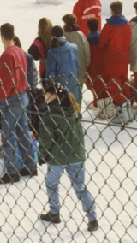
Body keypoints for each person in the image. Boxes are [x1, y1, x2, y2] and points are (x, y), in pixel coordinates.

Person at [36, 78, 99, 232]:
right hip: (77, 156)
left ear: (54, 96)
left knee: (51, 184)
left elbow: (46, 139)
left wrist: (43, 155)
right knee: (80, 187)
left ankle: (54, 212)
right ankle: (92, 218)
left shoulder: (50, 115)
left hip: (58, 158)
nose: (44, 96)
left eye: (47, 94)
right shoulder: (74, 112)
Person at [0, 23, 37, 184]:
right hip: (23, 94)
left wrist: (2, 99)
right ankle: (30, 164)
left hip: (11, 98)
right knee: (23, 130)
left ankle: (12, 171)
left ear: (2, 36)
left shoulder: (6, 56)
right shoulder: (20, 51)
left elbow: (6, 82)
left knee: (9, 134)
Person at [97, 1, 134, 124]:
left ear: (112, 10)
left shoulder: (109, 26)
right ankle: (128, 111)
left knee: (114, 84)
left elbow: (101, 41)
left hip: (112, 58)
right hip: (124, 57)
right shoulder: (127, 24)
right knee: (124, 81)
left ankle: (121, 112)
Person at [45, 25, 81, 103]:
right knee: (76, 106)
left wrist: (49, 86)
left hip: (61, 87)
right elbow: (78, 65)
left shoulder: (52, 53)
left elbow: (51, 73)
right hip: (73, 82)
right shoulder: (73, 48)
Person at [62, 14, 91, 96]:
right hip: (81, 65)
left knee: (67, 91)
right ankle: (78, 107)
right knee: (78, 91)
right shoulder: (80, 34)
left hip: (67, 66)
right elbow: (86, 49)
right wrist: (87, 62)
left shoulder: (62, 35)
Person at [86, 18, 103, 109]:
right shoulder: (102, 37)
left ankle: (96, 102)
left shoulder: (87, 39)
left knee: (94, 85)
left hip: (92, 65)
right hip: (102, 64)